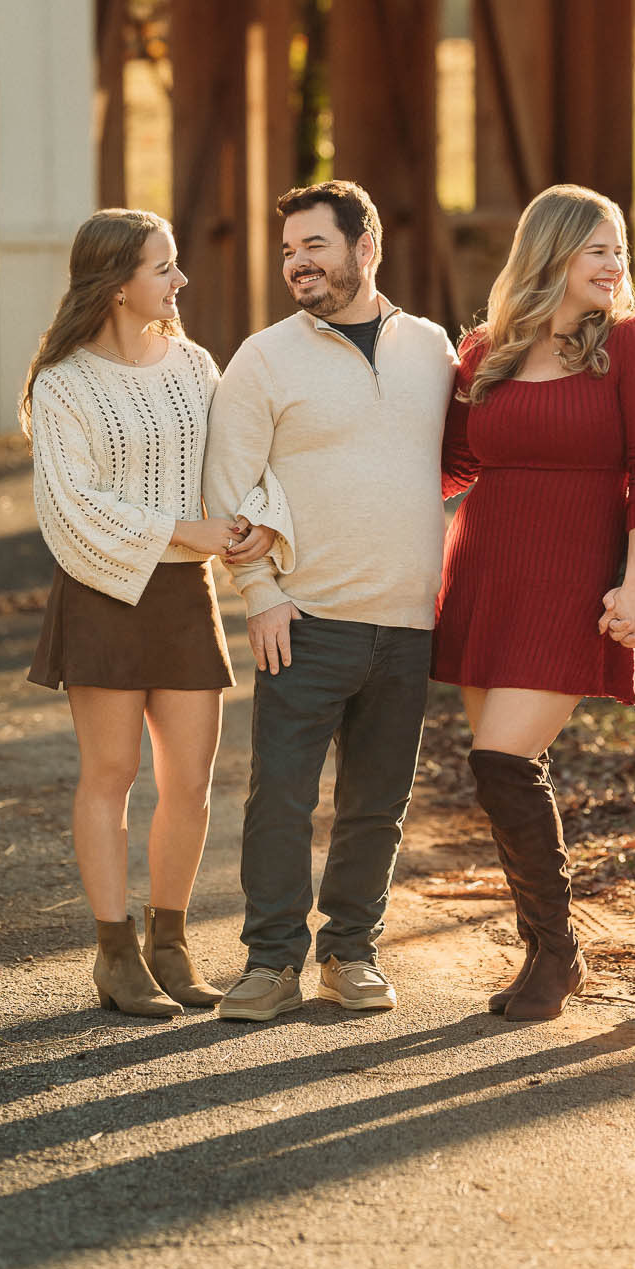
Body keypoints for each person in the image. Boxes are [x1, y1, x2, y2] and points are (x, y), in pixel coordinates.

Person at [22, 208, 293, 1019]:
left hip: (182, 597)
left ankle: (168, 944)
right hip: (103, 596)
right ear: (116, 284)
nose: (180, 281)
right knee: (111, 777)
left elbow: (236, 458)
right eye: (163, 268)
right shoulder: (63, 382)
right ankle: (114, 955)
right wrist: (183, 529)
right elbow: (69, 506)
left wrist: (255, 518)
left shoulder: (193, 364)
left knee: (192, 780)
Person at [204, 180, 457, 1023]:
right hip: (304, 620)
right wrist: (261, 595)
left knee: (376, 805)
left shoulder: (432, 349)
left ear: (365, 246)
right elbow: (229, 491)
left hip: (408, 620)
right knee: (279, 796)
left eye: (313, 245)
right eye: (288, 250)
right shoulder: (263, 357)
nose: (296, 263)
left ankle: (351, 952)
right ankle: (270, 962)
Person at [434, 185, 635, 1021]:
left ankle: (554, 954)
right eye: (597, 250)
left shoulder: (630, 344)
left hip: (576, 578)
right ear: (551, 254)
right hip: (484, 573)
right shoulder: (485, 350)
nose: (615, 266)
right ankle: (545, 951)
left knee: (501, 758)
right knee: (505, 768)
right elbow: (447, 466)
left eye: (619, 250)